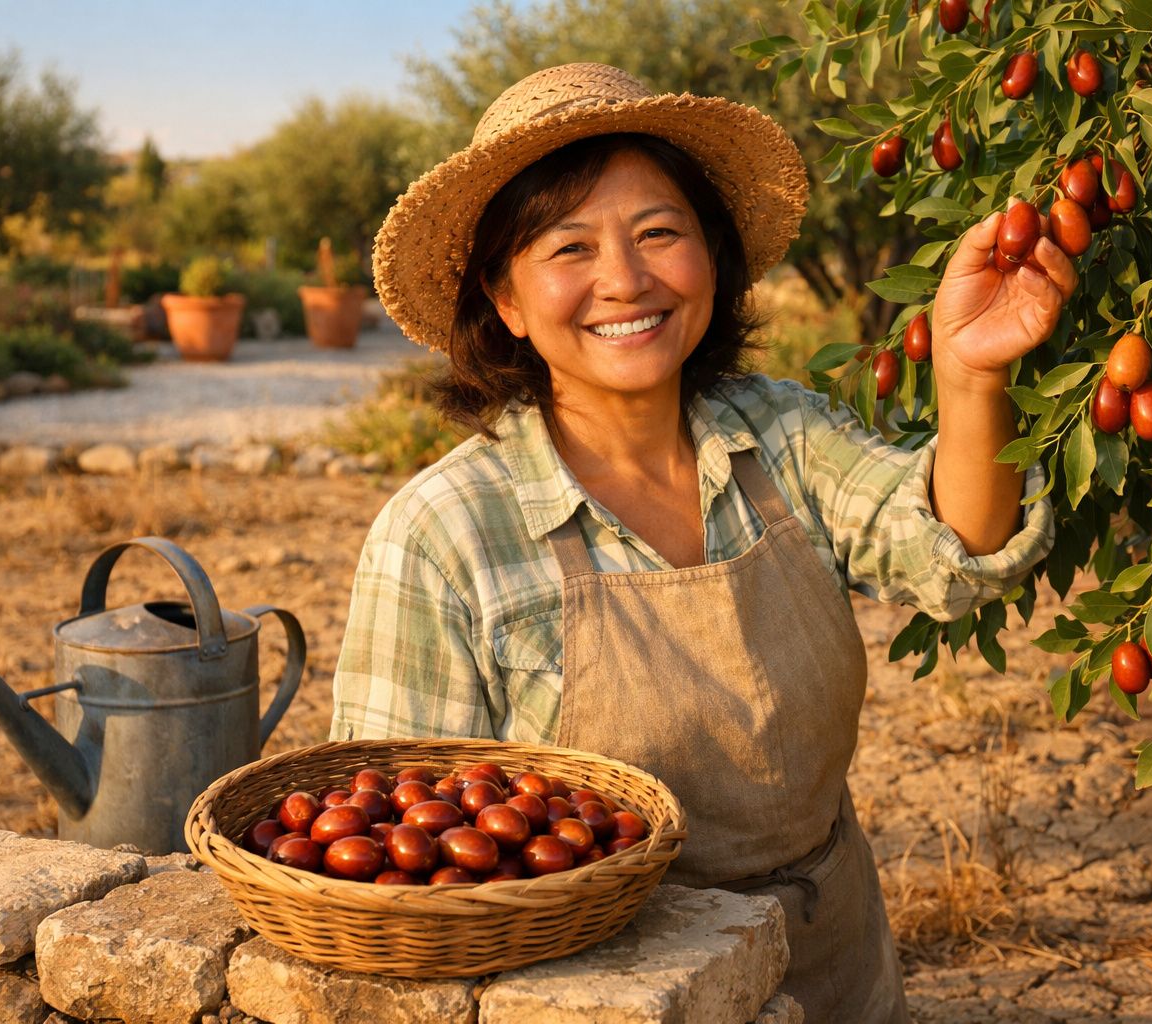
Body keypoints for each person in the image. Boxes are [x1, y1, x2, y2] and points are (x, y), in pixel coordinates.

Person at [333, 63, 1071, 1022]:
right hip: (599, 994)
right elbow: (400, 860)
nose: (625, 280)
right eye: (568, 247)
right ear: (505, 300)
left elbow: (955, 551)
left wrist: (971, 377)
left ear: (710, 258)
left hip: (830, 961)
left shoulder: (783, 439)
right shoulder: (443, 535)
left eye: (658, 233)